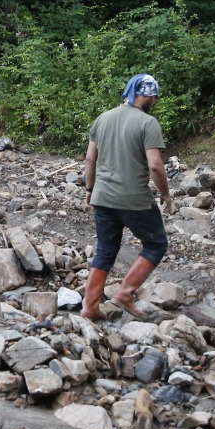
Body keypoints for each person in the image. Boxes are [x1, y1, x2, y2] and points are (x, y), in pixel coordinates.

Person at [80, 73, 176, 320]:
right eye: (153, 96)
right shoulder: (147, 123)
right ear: (146, 95)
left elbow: (90, 159)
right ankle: (125, 293)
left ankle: (90, 308)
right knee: (156, 244)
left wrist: (89, 190)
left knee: (105, 251)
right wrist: (166, 194)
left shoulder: (102, 119)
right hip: (134, 199)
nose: (154, 101)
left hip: (103, 197)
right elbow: (155, 165)